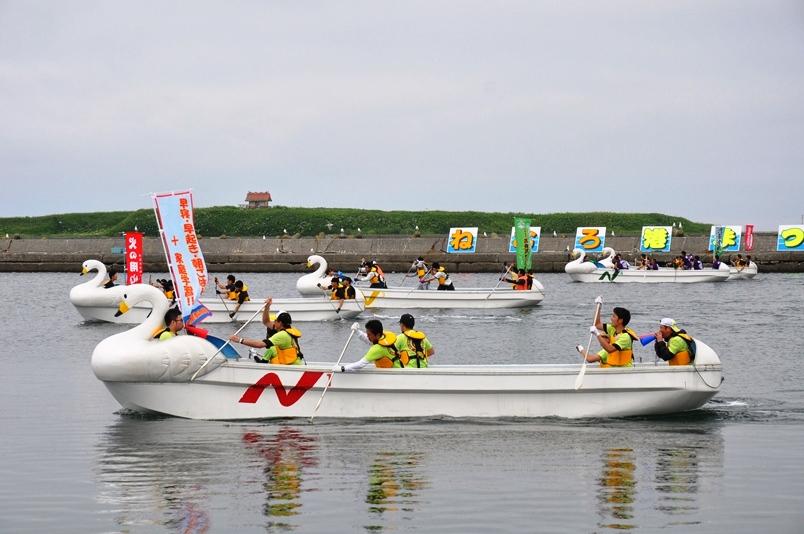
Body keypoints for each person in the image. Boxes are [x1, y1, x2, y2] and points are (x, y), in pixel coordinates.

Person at [232, 301, 304, 365]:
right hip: (296, 363)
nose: (273, 322)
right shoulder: (289, 330)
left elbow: (260, 344)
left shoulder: (282, 335)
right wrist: (267, 307)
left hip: (294, 366)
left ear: (280, 322)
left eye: (275, 320)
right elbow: (266, 322)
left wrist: (240, 340)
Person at [338, 320, 403, 371]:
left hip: (395, 375)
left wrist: (343, 368)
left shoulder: (378, 348)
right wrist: (357, 331)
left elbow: (361, 364)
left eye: (369, 335)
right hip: (399, 369)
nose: (367, 336)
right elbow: (367, 339)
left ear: (377, 335)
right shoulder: (383, 339)